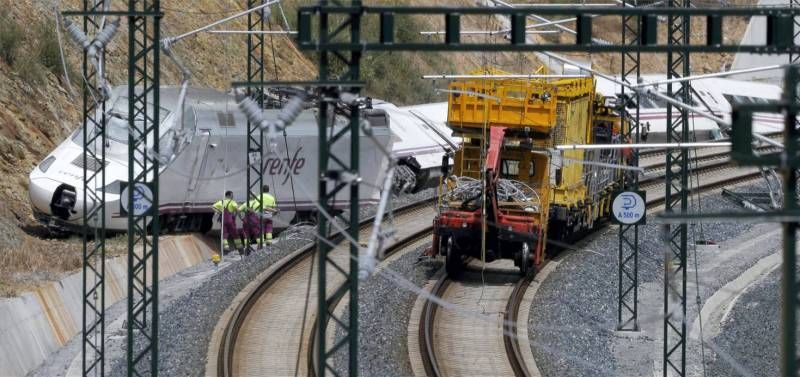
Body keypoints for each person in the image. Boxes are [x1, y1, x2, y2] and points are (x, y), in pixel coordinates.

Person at [212, 191, 246, 255]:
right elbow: (237, 210)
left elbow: (213, 207)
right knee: (235, 234)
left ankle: (226, 249)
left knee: (224, 235)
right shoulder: (232, 202)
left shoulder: (221, 202)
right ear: (229, 195)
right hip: (230, 221)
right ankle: (240, 249)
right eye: (232, 195)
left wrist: (219, 212)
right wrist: (240, 217)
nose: (233, 196)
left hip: (223, 221)